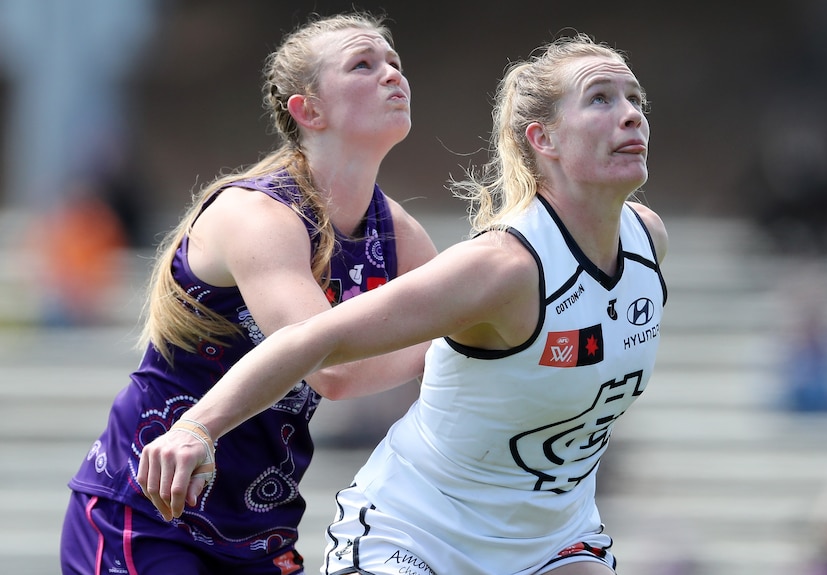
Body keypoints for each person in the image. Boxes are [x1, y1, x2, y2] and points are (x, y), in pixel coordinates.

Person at [138, 32, 668, 575]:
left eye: (635, 100)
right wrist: (195, 428)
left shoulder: (648, 241)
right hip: (418, 536)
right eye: (601, 98)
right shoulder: (502, 266)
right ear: (544, 139)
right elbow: (316, 340)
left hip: (554, 543)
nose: (631, 116)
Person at [60, 11, 438, 575]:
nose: (392, 75)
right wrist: (444, 340)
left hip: (260, 526)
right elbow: (329, 370)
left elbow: (477, 348)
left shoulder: (398, 234)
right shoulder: (260, 214)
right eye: (364, 64)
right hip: (148, 511)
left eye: (395, 63)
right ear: (307, 110)